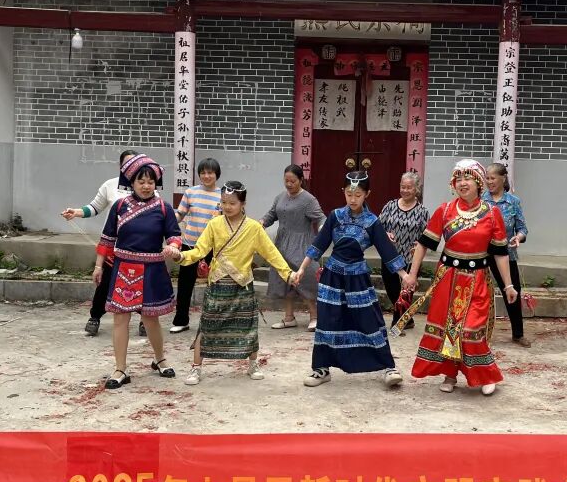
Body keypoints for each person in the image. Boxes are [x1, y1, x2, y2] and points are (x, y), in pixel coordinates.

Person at [398, 159, 518, 397]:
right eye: (458, 179)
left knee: (471, 330)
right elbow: (423, 244)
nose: (462, 183)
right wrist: (411, 274)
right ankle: (450, 374)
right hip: (448, 279)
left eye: (468, 179)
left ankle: (485, 375)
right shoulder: (445, 210)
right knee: (449, 328)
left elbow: (500, 253)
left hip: (478, 280)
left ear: (479, 183)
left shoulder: (492, 213)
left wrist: (508, 285)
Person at [291, 171, 410, 389]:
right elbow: (319, 244)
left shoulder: (372, 222)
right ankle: (321, 368)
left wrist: (404, 275)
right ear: (343, 192)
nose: (353, 199)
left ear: (367, 194)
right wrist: (301, 269)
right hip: (332, 277)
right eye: (348, 194)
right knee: (327, 321)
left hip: (358, 279)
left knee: (370, 319)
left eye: (358, 195)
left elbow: (386, 250)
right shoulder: (335, 216)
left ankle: (388, 367)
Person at [174, 181, 294, 385]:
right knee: (206, 326)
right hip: (218, 282)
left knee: (248, 326)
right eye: (223, 202)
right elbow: (200, 250)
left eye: (232, 203)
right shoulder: (214, 224)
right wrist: (181, 256)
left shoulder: (254, 228)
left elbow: (271, 253)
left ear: (243, 203)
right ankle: (196, 367)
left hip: (242, 284)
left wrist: (288, 274)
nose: (227, 207)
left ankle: (253, 364)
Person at [94, 154, 183, 389]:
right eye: (141, 181)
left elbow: (174, 235)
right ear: (131, 182)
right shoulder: (119, 206)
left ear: (156, 184)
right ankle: (120, 369)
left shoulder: (163, 208)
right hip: (124, 269)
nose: (146, 186)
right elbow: (107, 238)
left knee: (151, 318)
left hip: (152, 269)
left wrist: (174, 247)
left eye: (150, 182)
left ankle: (160, 359)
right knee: (120, 318)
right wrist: (98, 266)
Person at [61, 148, 147, 338]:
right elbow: (94, 207)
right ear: (120, 165)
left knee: (141, 284)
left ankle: (145, 319)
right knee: (105, 282)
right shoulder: (110, 185)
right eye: (126, 163)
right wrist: (76, 212)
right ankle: (95, 317)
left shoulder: (147, 187)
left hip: (139, 248)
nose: (130, 167)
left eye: (134, 163)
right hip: (113, 245)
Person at [262, 165, 325, 332]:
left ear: (301, 180)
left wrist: (322, 228)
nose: (289, 184)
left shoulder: (308, 200)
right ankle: (289, 317)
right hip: (282, 243)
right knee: (284, 279)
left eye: (293, 181)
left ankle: (314, 317)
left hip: (301, 244)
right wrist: (261, 223)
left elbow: (320, 217)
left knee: (306, 279)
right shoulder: (280, 197)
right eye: (286, 181)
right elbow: (272, 214)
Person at [170, 157, 221, 334]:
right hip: (190, 245)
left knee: (216, 285)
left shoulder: (223, 195)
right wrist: (168, 222)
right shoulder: (190, 192)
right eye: (203, 173)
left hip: (214, 247)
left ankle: (214, 322)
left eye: (210, 173)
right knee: (185, 284)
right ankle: (181, 320)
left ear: (217, 174)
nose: (206, 176)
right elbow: (180, 214)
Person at [377, 171, 429, 334]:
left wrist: (420, 243)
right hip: (390, 255)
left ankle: (397, 323)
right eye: (403, 187)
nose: (405, 190)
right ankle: (407, 319)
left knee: (405, 291)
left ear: (416, 189)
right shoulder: (390, 206)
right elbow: (377, 227)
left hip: (411, 257)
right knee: (392, 289)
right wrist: (386, 234)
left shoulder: (422, 211)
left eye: (409, 187)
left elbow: (428, 235)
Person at [484, 162, 529, 344]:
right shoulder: (480, 200)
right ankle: (477, 333)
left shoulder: (513, 201)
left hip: (506, 254)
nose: (489, 182)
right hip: (481, 254)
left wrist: (518, 237)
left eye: (493, 178)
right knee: (480, 292)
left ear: (503, 179)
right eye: (487, 178)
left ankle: (518, 333)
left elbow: (523, 228)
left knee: (512, 291)